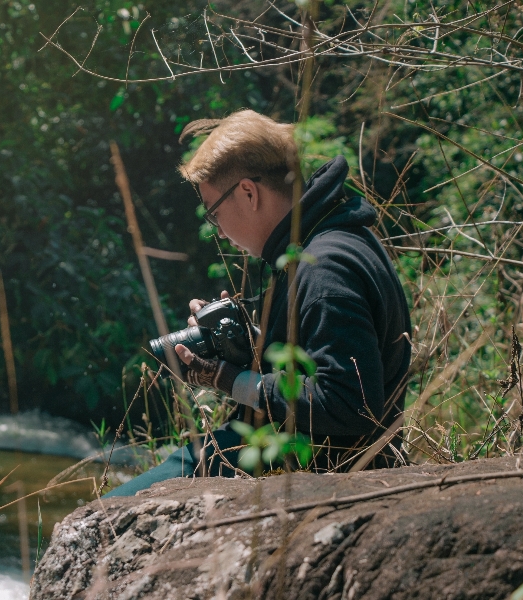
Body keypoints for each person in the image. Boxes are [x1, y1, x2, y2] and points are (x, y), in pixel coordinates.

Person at [104, 110, 411, 497]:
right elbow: (317, 362)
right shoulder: (331, 240)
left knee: (113, 506)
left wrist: (227, 379)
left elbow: (348, 404)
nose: (217, 229)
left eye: (214, 213)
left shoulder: (324, 269)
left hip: (305, 461)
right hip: (293, 451)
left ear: (249, 193)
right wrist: (245, 346)